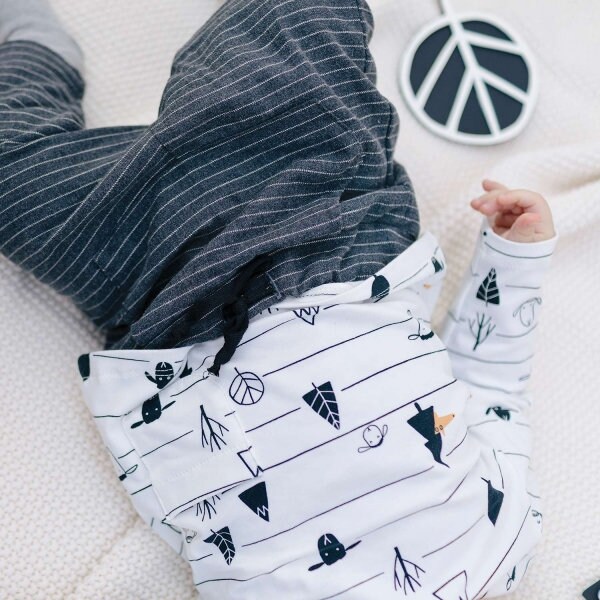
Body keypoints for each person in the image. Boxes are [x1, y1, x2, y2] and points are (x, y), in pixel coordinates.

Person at [0, 1, 557, 597]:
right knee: (295, 35)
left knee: (14, 182)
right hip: (331, 246)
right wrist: (515, 260)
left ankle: (32, 45)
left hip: (161, 303)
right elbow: (494, 386)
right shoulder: (502, 551)